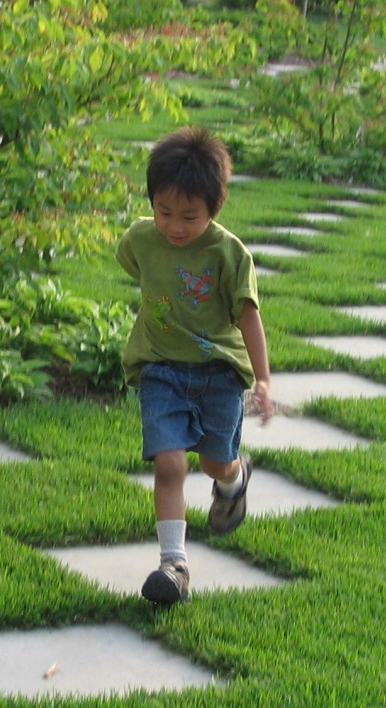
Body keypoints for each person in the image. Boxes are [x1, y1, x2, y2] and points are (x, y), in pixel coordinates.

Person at [117, 125, 273, 604]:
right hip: (160, 367)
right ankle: (174, 564)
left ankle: (235, 480)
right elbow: (139, 268)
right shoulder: (140, 240)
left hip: (218, 373)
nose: (174, 226)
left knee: (213, 463)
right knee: (168, 464)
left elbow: (248, 316)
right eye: (163, 212)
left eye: (189, 216)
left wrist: (263, 379)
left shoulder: (229, 255)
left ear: (214, 208)